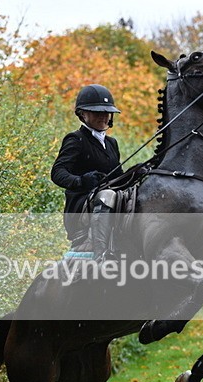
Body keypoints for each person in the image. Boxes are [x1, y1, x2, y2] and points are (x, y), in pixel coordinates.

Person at [51, 84, 123, 260]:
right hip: (82, 204)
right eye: (97, 112)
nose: (104, 116)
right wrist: (81, 181)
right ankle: (100, 255)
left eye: (107, 112)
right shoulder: (76, 139)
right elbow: (58, 172)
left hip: (109, 199)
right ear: (83, 114)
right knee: (106, 196)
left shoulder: (112, 143)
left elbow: (119, 176)